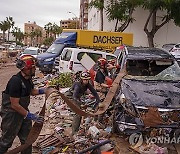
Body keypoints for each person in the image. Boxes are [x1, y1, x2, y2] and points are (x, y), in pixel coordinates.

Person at [0, 55, 46, 154]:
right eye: (32, 68)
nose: (34, 69)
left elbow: (31, 91)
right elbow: (14, 105)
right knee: (6, 141)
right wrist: (30, 116)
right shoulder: (15, 81)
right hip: (11, 114)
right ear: (25, 69)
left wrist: (44, 91)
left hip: (22, 111)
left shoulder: (28, 78)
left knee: (27, 140)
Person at [65, 71, 100, 135]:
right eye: (85, 80)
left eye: (87, 80)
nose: (86, 81)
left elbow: (94, 93)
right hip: (70, 97)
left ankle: (76, 127)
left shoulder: (88, 84)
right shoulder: (78, 85)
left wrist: (98, 101)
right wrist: (80, 104)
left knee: (80, 112)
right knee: (78, 113)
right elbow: (74, 96)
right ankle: (74, 131)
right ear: (82, 79)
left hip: (77, 97)